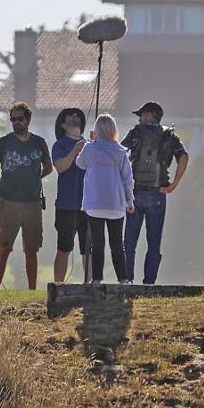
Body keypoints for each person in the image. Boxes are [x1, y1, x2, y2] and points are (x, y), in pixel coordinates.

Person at [0, 101, 53, 289]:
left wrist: (34, 176)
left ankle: (32, 290)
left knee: (31, 250)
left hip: (32, 202)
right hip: (8, 202)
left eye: (20, 119)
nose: (16, 123)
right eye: (13, 119)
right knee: (3, 248)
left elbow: (49, 167)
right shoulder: (3, 142)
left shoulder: (39, 142)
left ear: (28, 120)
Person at [121, 101, 188, 285]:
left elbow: (120, 153)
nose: (141, 118)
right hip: (158, 194)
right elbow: (183, 156)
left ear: (150, 115)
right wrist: (174, 184)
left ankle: (126, 280)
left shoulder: (136, 132)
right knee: (154, 242)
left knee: (129, 243)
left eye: (142, 114)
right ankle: (149, 282)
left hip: (134, 194)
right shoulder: (169, 135)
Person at [76, 115, 135, 284]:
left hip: (94, 203)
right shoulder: (121, 151)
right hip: (116, 203)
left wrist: (90, 142)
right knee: (117, 243)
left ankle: (97, 279)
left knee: (97, 242)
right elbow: (127, 179)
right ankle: (123, 279)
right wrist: (130, 201)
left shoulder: (89, 148)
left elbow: (80, 164)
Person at [51, 108, 90, 284]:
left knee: (88, 250)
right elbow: (61, 167)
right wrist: (75, 151)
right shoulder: (59, 145)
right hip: (66, 205)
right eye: (70, 115)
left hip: (89, 205)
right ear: (62, 124)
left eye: (77, 115)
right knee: (64, 248)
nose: (75, 116)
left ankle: (91, 285)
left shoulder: (90, 144)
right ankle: (58, 285)